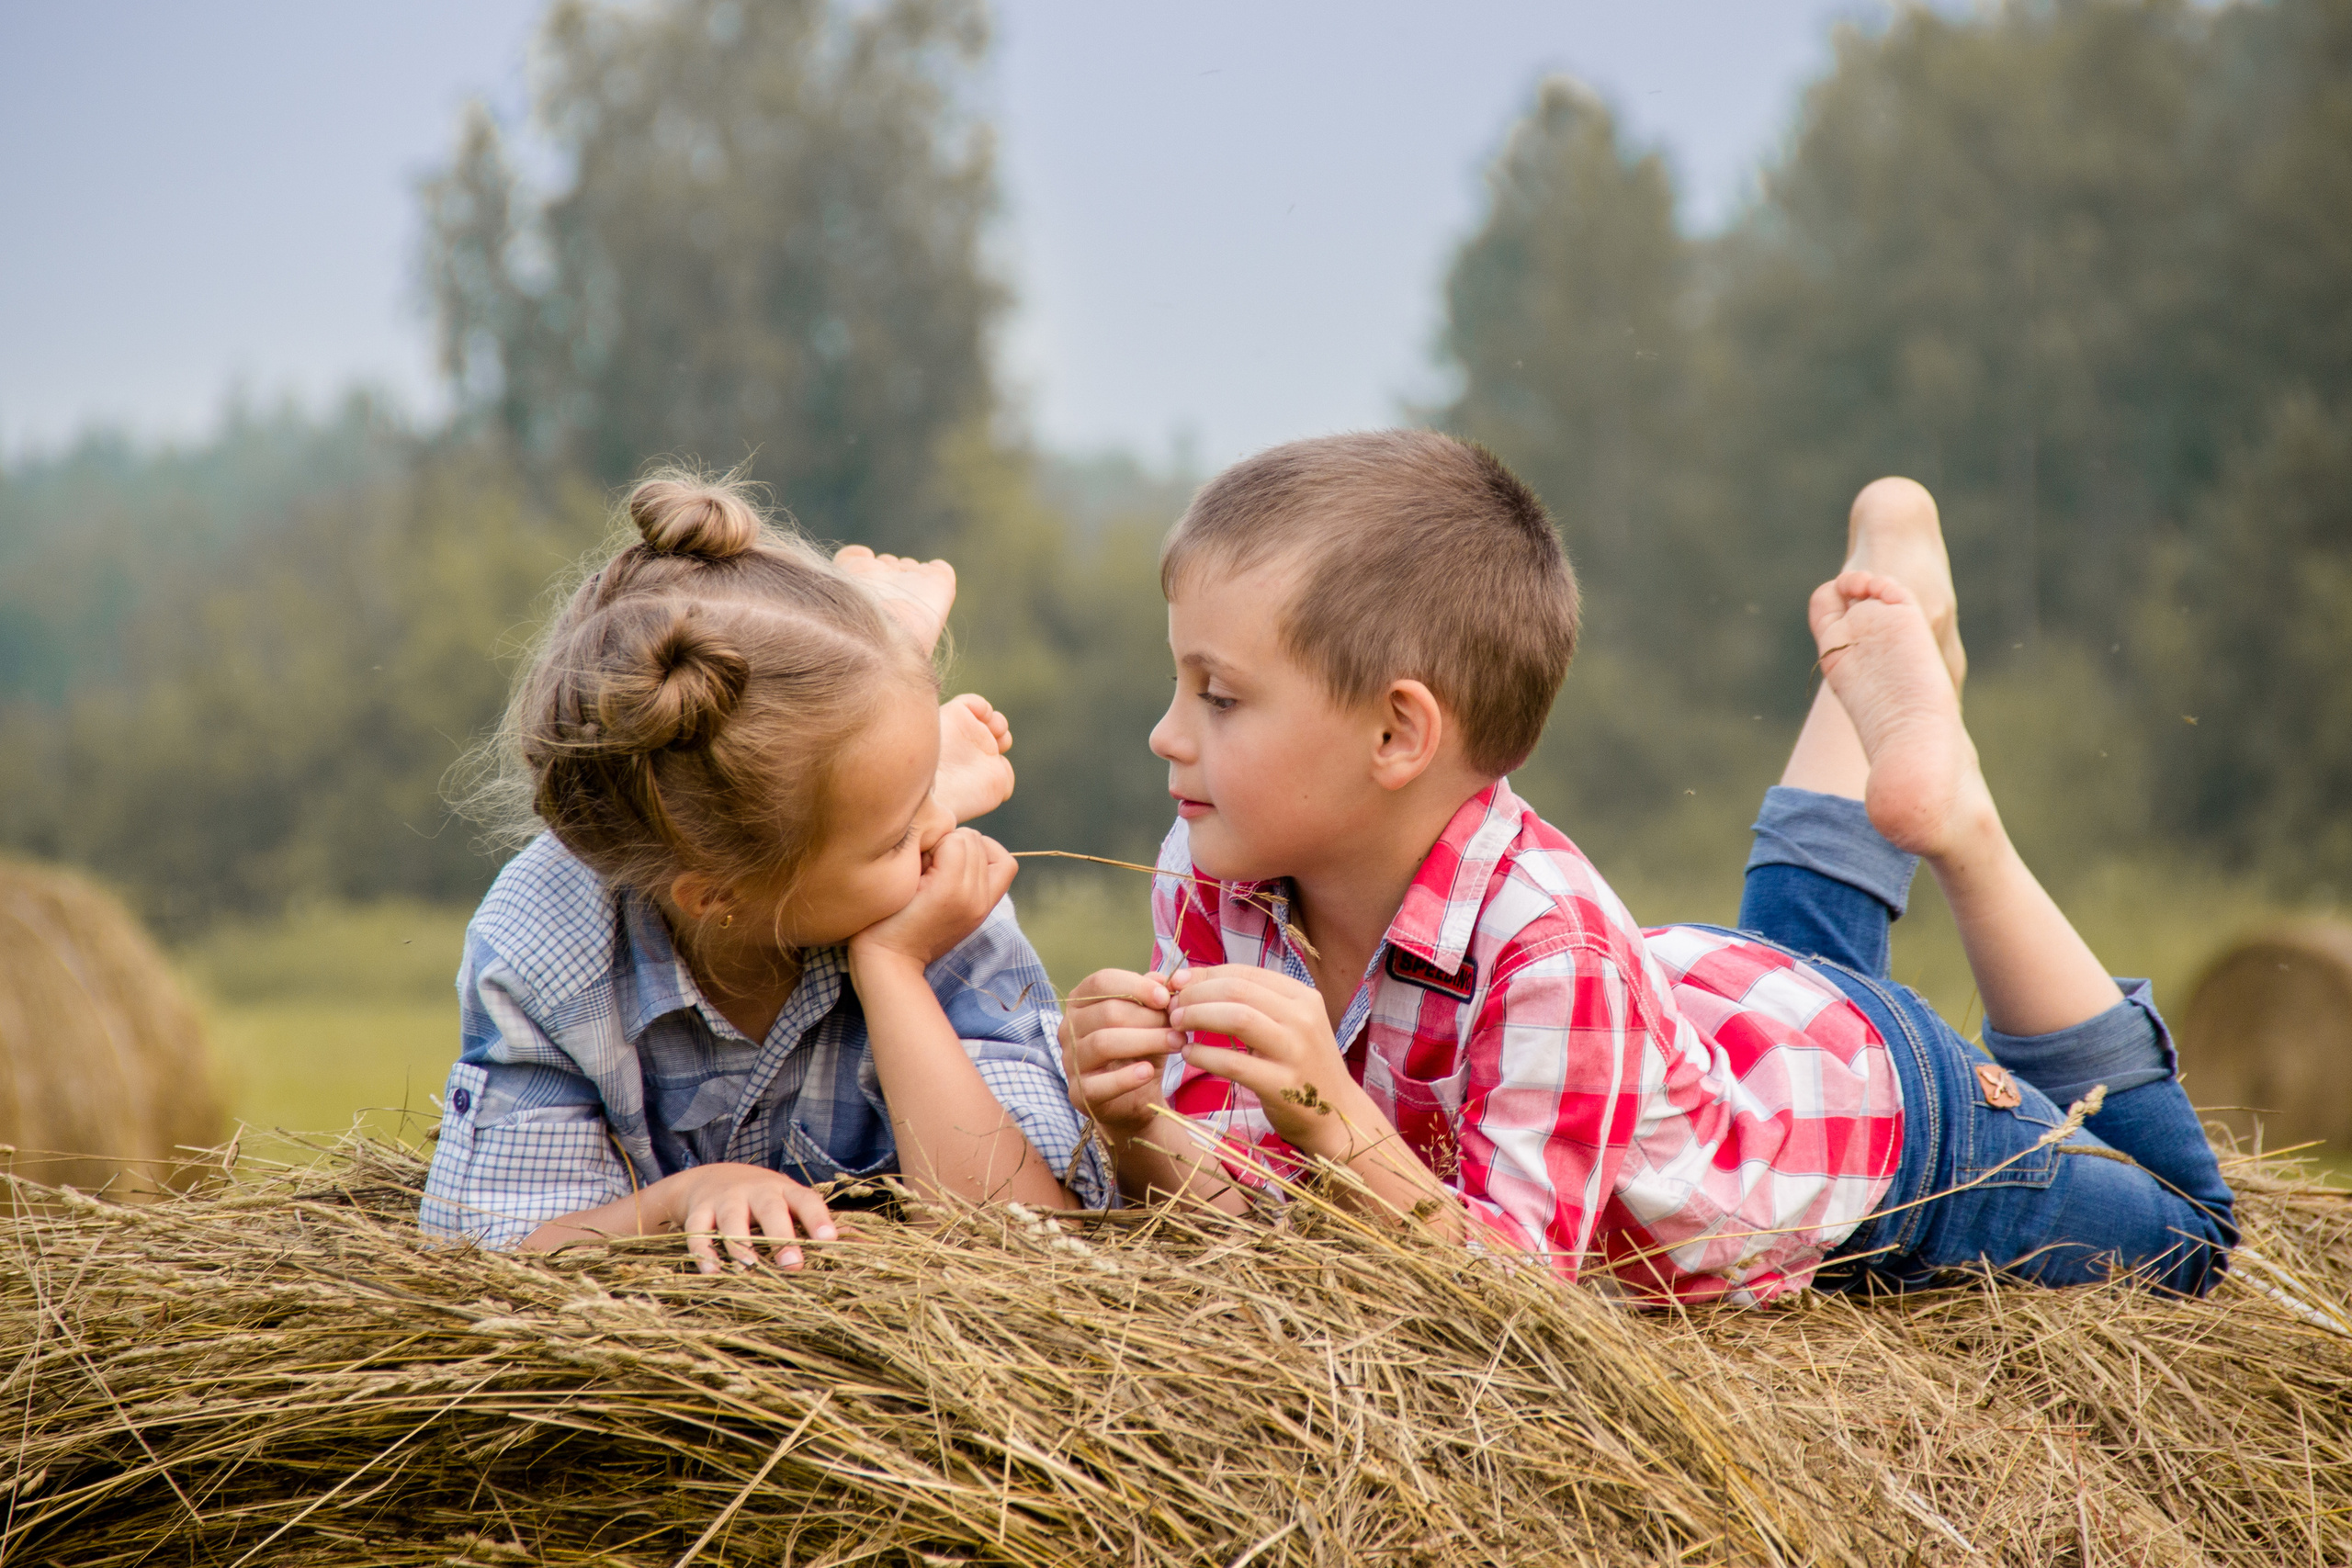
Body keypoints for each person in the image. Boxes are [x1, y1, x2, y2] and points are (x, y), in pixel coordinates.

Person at [1062, 433, 2233, 1303]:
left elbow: (1524, 1300)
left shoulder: (1548, 946)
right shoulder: (1213, 870)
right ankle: (1899, 615)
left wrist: (1330, 1114)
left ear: (1397, 735)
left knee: (2189, 1235)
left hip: (1893, 1132)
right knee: (1800, 958)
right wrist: (1129, 1125)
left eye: (1217, 697)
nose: (1168, 733)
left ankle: (1959, 823)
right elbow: (1249, 1218)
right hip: (1720, 1017)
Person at [422, 471, 1104, 1271]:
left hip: (814, 838)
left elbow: (1035, 1248)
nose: (938, 835)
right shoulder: (545, 943)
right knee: (835, 776)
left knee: (860, 771)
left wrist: (892, 969)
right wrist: (678, 1200)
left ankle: (885, 709)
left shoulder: (944, 895)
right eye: (895, 835)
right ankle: (893, 736)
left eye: (926, 802)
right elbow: (484, 1257)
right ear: (716, 896)